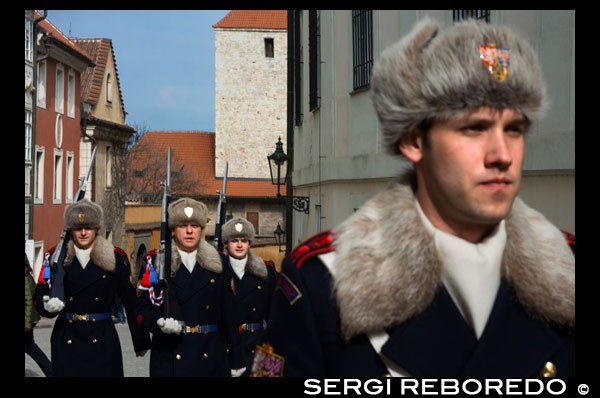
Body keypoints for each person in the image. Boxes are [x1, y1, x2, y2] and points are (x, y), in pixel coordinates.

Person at [254, 17, 575, 378]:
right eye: (474, 128)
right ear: (413, 141)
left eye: (514, 129)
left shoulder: (567, 274)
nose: (502, 154)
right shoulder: (324, 284)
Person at [34, 199, 151, 377]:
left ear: (97, 229)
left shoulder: (115, 258)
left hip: (102, 337)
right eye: (77, 228)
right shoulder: (56, 257)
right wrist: (46, 307)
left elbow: (131, 300)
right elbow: (40, 292)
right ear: (70, 230)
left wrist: (140, 339)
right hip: (67, 336)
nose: (83, 233)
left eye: (88, 227)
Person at [137, 198, 245, 376]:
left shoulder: (219, 263)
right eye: (182, 225)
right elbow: (142, 308)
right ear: (172, 230)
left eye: (194, 226)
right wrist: (158, 322)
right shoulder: (156, 262)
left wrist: (236, 357)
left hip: (210, 355)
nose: (189, 231)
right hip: (170, 356)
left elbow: (230, 313)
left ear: (201, 229)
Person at [220, 217, 277, 375]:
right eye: (234, 240)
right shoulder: (217, 273)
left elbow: (275, 315)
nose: (239, 245)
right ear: (226, 243)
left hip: (257, 344)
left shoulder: (266, 273)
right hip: (226, 345)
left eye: (244, 240)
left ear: (250, 243)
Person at [25, 254, 52, 377]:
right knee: (31, 348)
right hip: (30, 319)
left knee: (31, 348)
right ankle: (51, 372)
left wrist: (27, 324)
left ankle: (52, 372)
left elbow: (29, 302)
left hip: (27, 320)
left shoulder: (25, 278)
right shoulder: (28, 276)